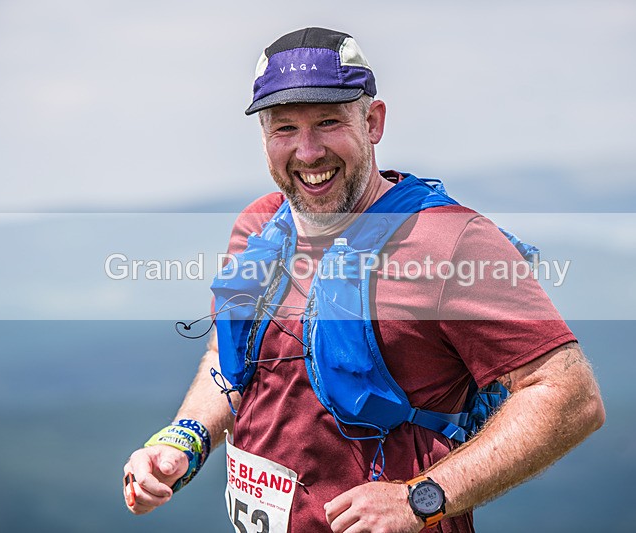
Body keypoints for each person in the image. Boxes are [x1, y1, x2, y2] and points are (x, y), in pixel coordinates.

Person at [123, 27, 605, 532]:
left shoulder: (449, 242)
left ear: (373, 122)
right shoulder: (260, 226)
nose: (307, 152)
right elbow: (230, 356)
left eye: (328, 122)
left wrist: (420, 499)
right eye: (284, 128)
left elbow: (569, 393)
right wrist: (184, 439)